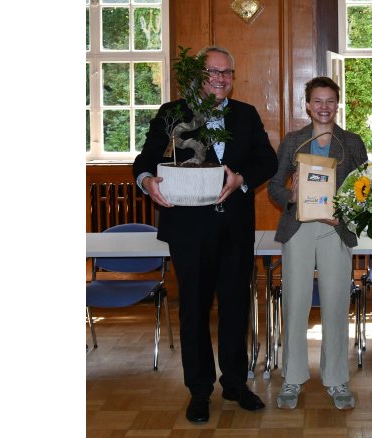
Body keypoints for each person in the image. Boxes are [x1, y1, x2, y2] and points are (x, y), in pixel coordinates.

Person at [132, 45, 277, 423]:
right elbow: (144, 161)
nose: (221, 79)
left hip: (234, 229)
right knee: (194, 310)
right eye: (213, 72)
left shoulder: (245, 115)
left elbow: (268, 160)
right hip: (188, 231)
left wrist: (242, 178)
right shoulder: (173, 113)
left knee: (235, 308)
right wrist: (148, 182)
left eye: (227, 72)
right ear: (199, 75)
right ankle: (199, 390)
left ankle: (235, 383)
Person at [267, 77, 368, 410]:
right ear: (307, 105)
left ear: (337, 104)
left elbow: (364, 190)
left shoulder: (352, 142)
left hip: (335, 231)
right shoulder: (293, 140)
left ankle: (337, 380)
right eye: (317, 101)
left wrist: (347, 215)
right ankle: (293, 379)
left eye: (330, 101)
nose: (324, 107)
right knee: (295, 304)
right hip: (298, 230)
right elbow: (273, 188)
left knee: (337, 305)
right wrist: (292, 196)